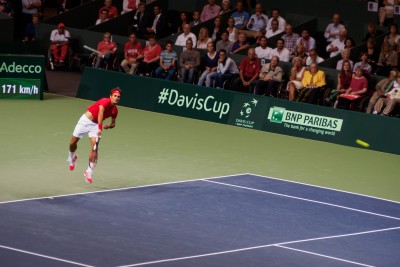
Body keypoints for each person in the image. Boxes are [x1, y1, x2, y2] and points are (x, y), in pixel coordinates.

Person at [68, 88, 121, 183]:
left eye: (118, 97)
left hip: (96, 126)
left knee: (95, 148)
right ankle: (72, 157)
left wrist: (108, 126)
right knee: (72, 143)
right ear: (111, 96)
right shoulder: (105, 101)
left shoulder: (115, 110)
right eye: (115, 96)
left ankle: (88, 171)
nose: (116, 98)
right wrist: (100, 128)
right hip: (85, 121)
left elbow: (113, 124)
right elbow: (101, 113)